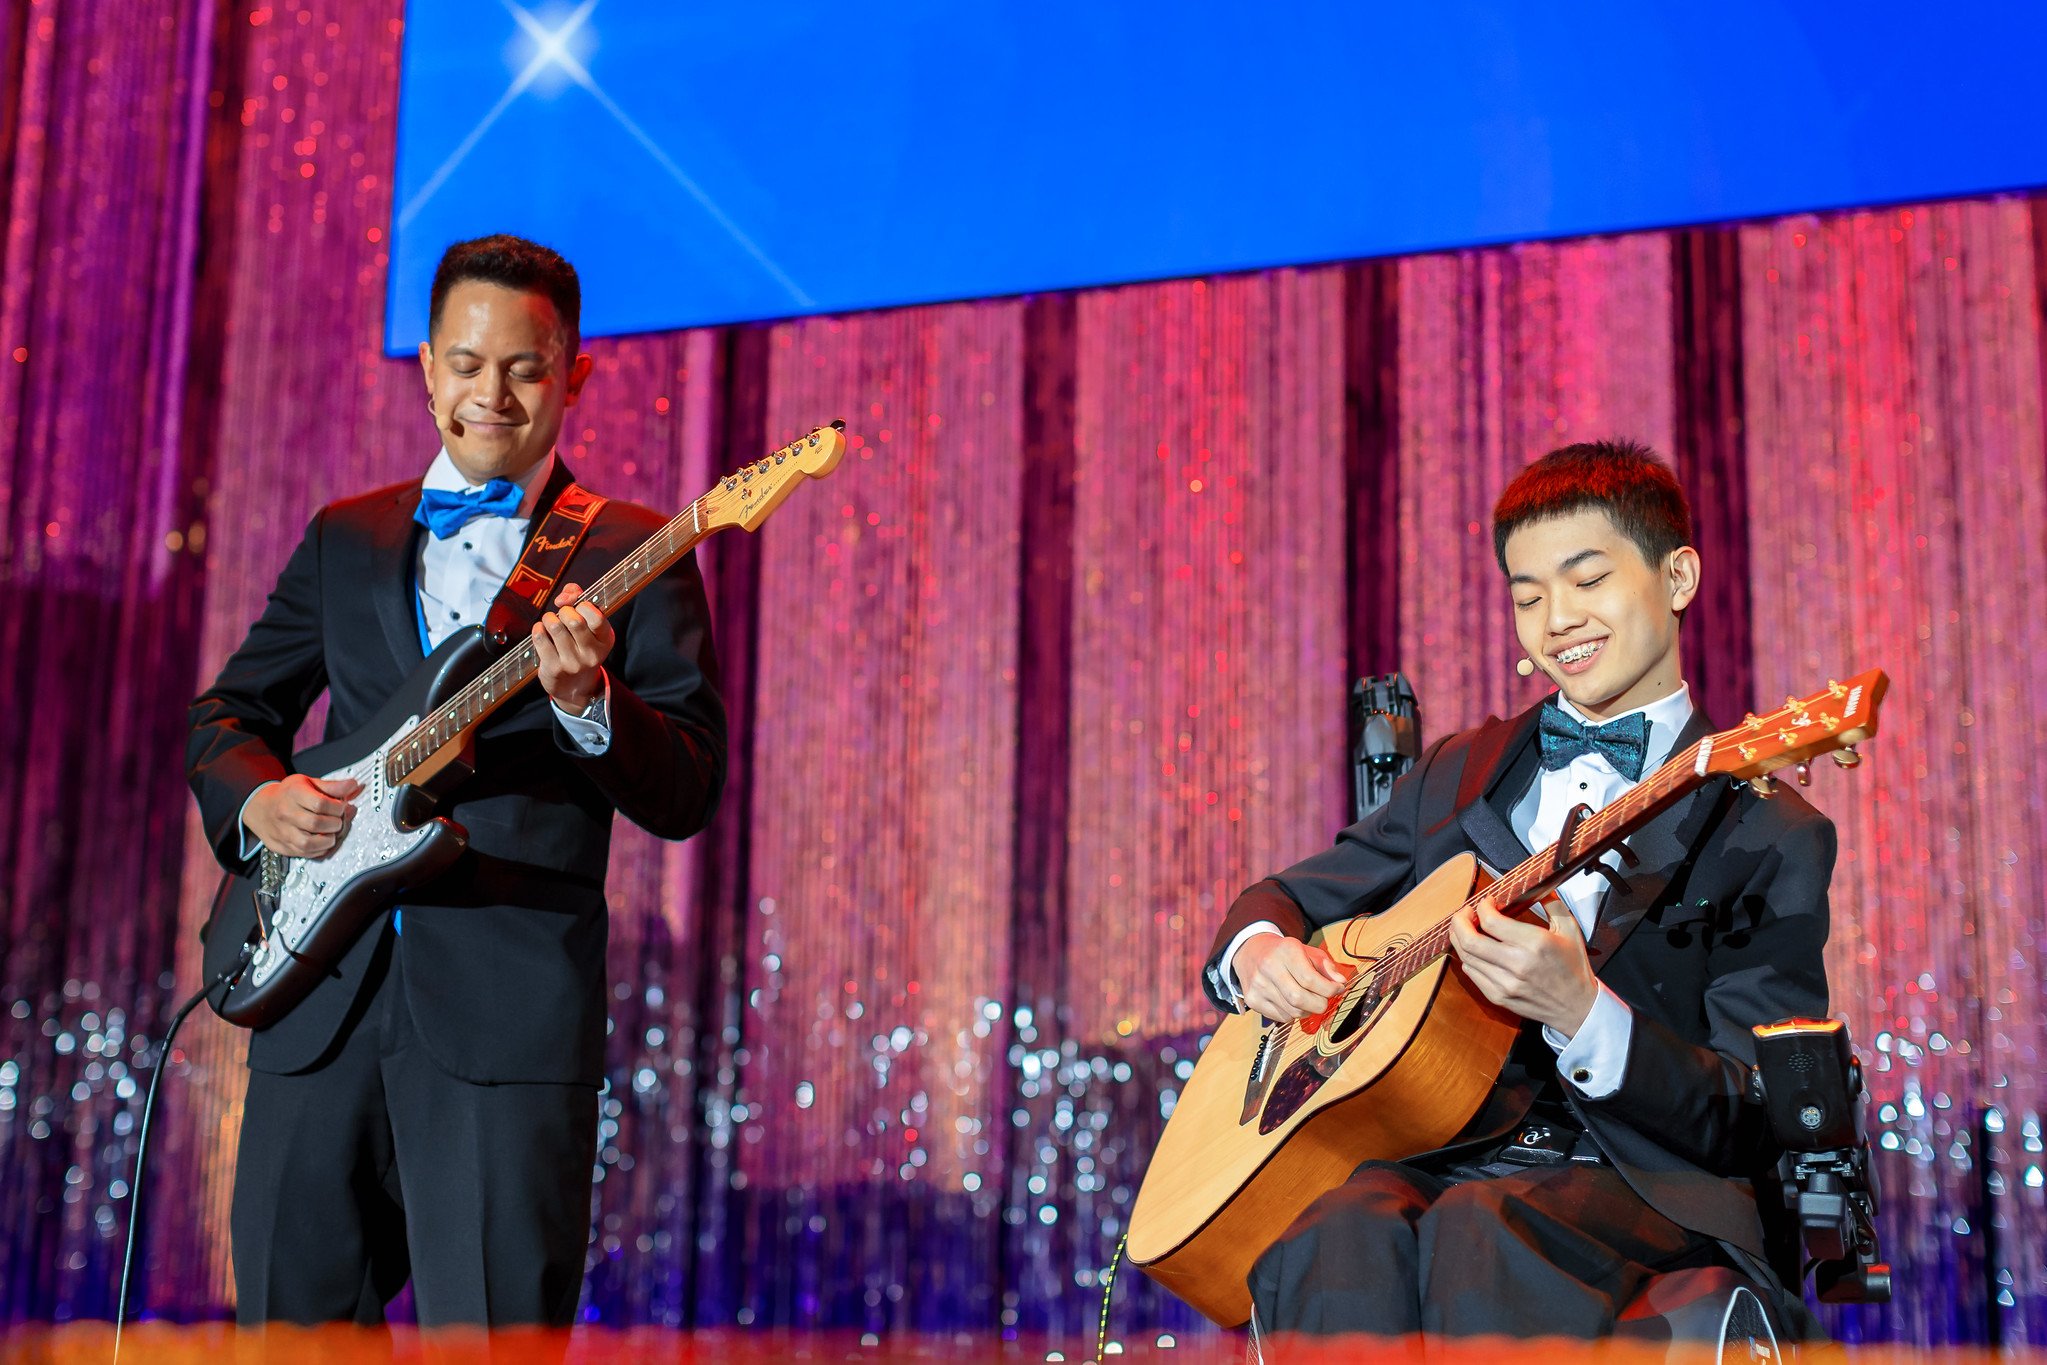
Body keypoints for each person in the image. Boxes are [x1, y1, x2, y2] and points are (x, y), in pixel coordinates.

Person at [186, 235, 726, 1326]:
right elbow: (229, 716)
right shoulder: (344, 537)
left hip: (504, 1024)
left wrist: (589, 706)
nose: (492, 393)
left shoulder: (636, 550)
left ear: (572, 375)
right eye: (468, 365)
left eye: (525, 369)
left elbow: (687, 790)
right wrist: (258, 799)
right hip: (315, 1002)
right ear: (428, 366)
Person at [1203, 440, 1834, 1339]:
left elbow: (1756, 1109)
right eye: (1527, 595)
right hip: (1440, 1145)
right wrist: (1258, 951)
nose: (1556, 621)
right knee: (1330, 1231)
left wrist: (1583, 1013)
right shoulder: (1457, 772)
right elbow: (1288, 896)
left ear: (1679, 575)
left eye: (1585, 580)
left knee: (1483, 1232)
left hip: (1640, 1174)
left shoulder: (1767, 829)